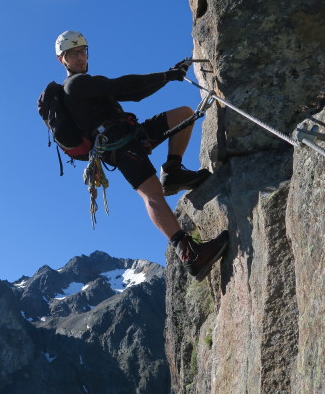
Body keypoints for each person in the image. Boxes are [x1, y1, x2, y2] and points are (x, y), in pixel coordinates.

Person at [54, 30, 228, 281]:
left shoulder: (87, 84)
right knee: (152, 194)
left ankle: (173, 170)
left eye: (82, 51)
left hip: (131, 135)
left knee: (183, 114)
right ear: (63, 60)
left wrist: (168, 76)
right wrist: (167, 76)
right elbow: (124, 86)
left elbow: (132, 92)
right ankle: (189, 253)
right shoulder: (76, 85)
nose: (80, 57)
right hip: (118, 146)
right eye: (73, 54)